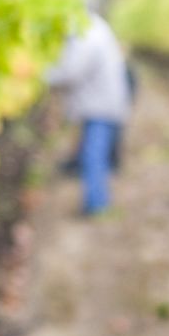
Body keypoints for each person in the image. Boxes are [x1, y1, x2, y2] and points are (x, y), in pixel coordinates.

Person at [45, 13, 131, 216]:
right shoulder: (97, 29)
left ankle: (96, 204)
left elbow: (71, 70)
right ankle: (98, 201)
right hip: (104, 103)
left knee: (94, 154)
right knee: (95, 153)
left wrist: (44, 75)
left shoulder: (87, 34)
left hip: (99, 106)